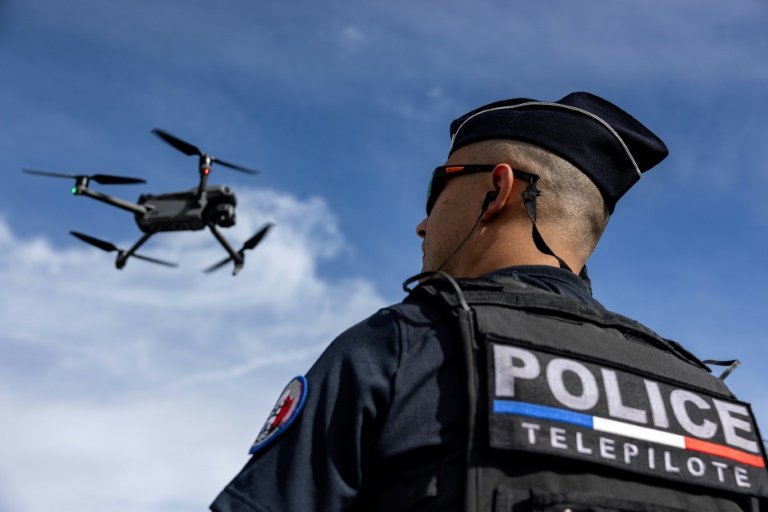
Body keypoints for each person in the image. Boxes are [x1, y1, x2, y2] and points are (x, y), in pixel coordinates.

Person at [211, 92, 768, 511]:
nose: (422, 224)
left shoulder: (405, 346)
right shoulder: (714, 401)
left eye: (437, 190)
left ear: (498, 189)